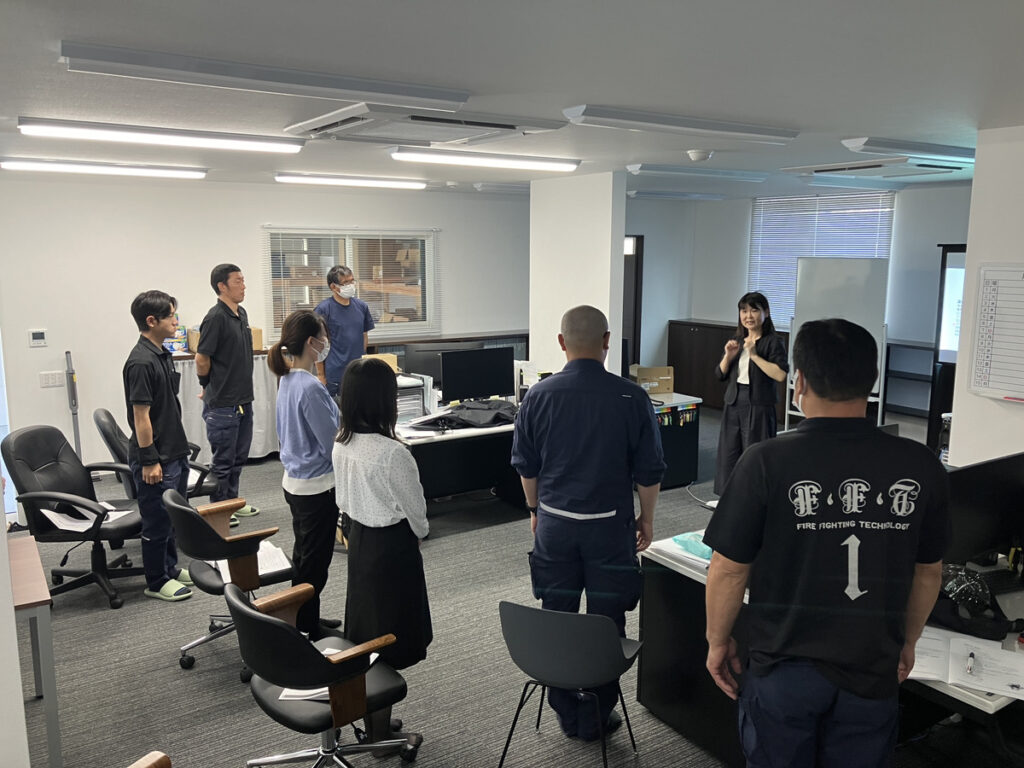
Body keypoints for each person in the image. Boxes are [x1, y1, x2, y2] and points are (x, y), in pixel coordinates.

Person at [703, 319, 949, 768]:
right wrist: (907, 641)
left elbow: (728, 567)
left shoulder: (765, 461)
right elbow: (929, 572)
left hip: (783, 670)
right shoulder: (920, 464)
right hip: (872, 666)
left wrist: (717, 641)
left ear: (798, 382)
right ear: (873, 381)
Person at [511, 305, 665, 742]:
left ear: (561, 342)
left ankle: (564, 710)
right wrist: (647, 519)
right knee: (607, 621)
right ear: (607, 341)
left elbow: (526, 466)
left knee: (556, 616)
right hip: (611, 531)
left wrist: (535, 511)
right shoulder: (631, 397)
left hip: (555, 527)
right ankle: (598, 711)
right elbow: (649, 471)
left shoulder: (538, 396)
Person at [333, 357, 431, 742]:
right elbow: (417, 512)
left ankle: (375, 721)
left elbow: (342, 499)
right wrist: (420, 533)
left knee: (368, 635)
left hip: (359, 543)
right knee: (389, 638)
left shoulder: (342, 443)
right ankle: (378, 738)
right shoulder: (393, 453)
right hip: (392, 551)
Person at [267, 310, 342, 637]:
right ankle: (305, 627)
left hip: (296, 482)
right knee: (314, 565)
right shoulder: (310, 386)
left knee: (304, 557)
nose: (326, 343)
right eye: (324, 337)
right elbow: (330, 443)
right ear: (312, 342)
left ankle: (305, 616)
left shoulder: (287, 379)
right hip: (317, 488)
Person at [123, 290, 193, 602]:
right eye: (171, 316)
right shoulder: (140, 362)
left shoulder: (161, 353)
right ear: (152, 321)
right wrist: (150, 460)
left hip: (174, 450)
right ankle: (156, 580)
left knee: (171, 519)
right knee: (156, 521)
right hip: (156, 456)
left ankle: (171, 569)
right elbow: (141, 417)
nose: (176, 322)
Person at [195, 263, 259, 519]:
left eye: (243, 280)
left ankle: (232, 502)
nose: (243, 286)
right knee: (223, 461)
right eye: (237, 281)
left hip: (243, 398)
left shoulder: (240, 313)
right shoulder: (215, 318)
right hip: (223, 403)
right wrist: (206, 385)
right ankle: (219, 510)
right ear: (222, 286)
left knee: (238, 458)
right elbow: (202, 358)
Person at [713, 291, 788, 495]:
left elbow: (780, 374)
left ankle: (755, 499)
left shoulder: (773, 342)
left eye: (754, 310)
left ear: (766, 312)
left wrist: (754, 355)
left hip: (759, 404)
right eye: (744, 311)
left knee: (754, 453)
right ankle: (728, 498)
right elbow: (720, 374)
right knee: (728, 453)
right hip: (734, 401)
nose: (748, 316)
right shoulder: (737, 340)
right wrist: (728, 356)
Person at [315, 265, 375, 400]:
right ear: (333, 287)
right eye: (346, 282)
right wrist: (321, 375)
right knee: (338, 410)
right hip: (335, 375)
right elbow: (317, 344)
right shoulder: (323, 310)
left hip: (359, 372)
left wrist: (362, 359)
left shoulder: (361, 307)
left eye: (352, 281)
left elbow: (364, 336)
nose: (351, 285)